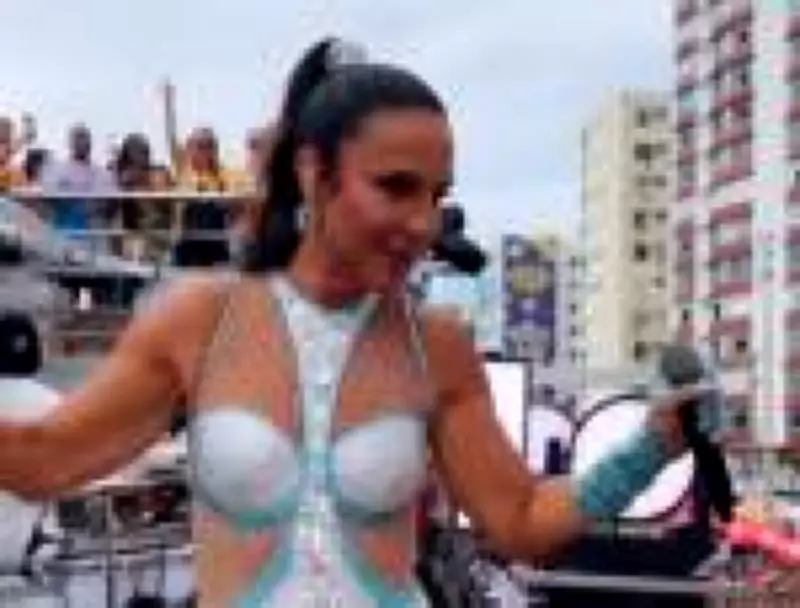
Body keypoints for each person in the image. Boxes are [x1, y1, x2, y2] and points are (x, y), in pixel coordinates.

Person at [0, 38, 703, 606]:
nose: (423, 223)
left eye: (436, 196)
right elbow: (44, 461)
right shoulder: (199, 320)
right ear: (314, 173)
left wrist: (650, 448)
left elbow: (520, 521)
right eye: (396, 187)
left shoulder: (438, 344)